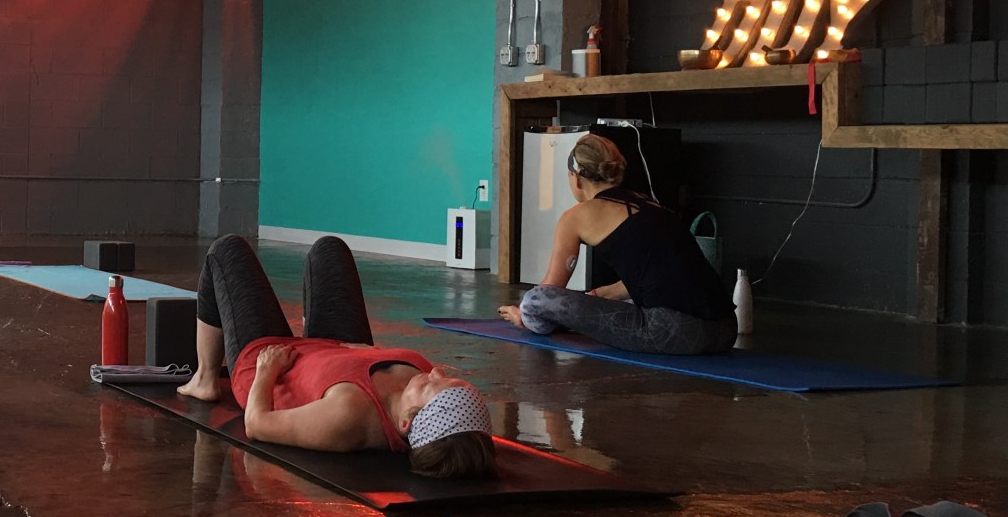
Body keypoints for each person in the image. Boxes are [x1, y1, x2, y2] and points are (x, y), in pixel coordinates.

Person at [175, 235, 496, 479]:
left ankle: (204, 380)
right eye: (447, 379)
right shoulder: (419, 384)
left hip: (269, 363)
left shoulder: (347, 418)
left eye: (430, 385)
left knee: (226, 251)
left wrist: (265, 371)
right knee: (329, 249)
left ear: (405, 422)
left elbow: (257, 425)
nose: (436, 372)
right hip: (335, 351)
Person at [497, 133, 736, 355]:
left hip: (673, 332)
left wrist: (525, 314)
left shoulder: (575, 216)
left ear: (576, 178)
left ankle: (525, 316)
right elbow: (654, 276)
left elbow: (550, 290)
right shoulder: (648, 203)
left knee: (536, 300)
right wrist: (599, 295)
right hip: (725, 330)